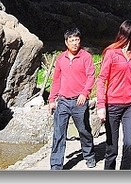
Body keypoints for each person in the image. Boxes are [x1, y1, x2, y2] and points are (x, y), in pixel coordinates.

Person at [48, 27, 96, 171]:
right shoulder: (60, 58)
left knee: (84, 131)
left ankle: (89, 155)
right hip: (62, 101)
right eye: (71, 40)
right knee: (58, 134)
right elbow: (56, 80)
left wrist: (84, 93)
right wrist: (51, 100)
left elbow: (91, 77)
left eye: (77, 40)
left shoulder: (86, 57)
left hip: (79, 101)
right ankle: (56, 165)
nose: (75, 43)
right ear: (66, 42)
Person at [97, 20, 131, 170]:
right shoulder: (111, 53)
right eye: (130, 37)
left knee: (129, 144)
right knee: (112, 149)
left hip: (130, 103)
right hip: (112, 105)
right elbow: (102, 79)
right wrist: (101, 105)